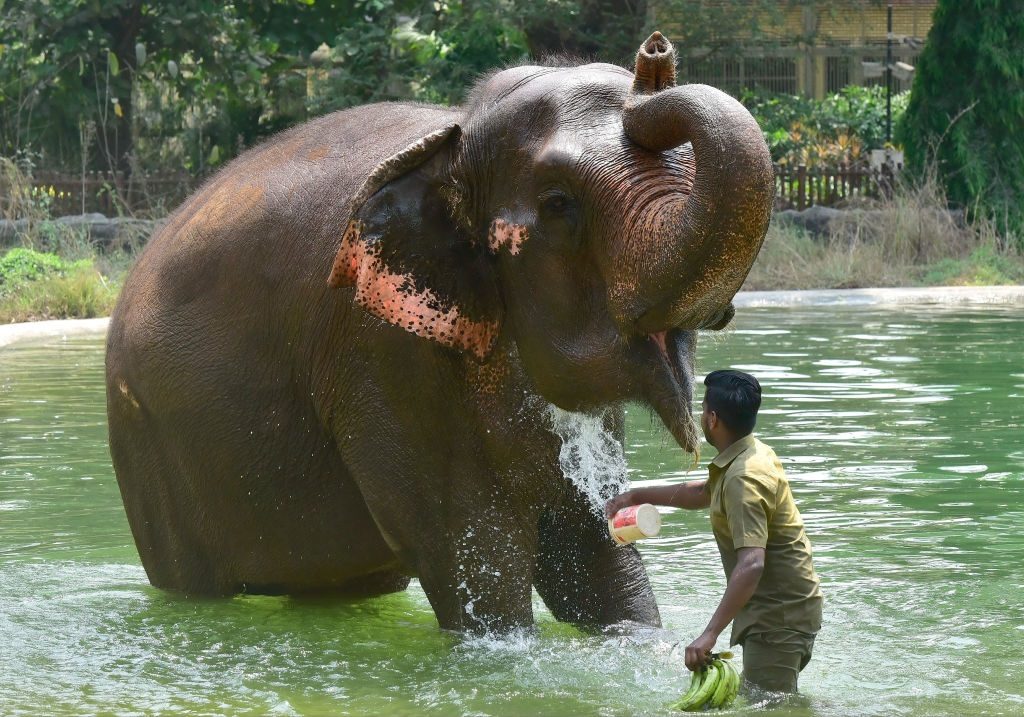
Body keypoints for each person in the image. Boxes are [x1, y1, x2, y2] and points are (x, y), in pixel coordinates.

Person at [605, 370, 822, 693]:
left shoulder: (743, 481)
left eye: (703, 409)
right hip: (787, 609)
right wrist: (638, 496)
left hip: (778, 619)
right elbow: (703, 493)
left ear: (713, 419)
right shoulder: (750, 454)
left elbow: (752, 563)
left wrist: (710, 633)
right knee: (774, 699)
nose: (701, 415)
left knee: (771, 707)